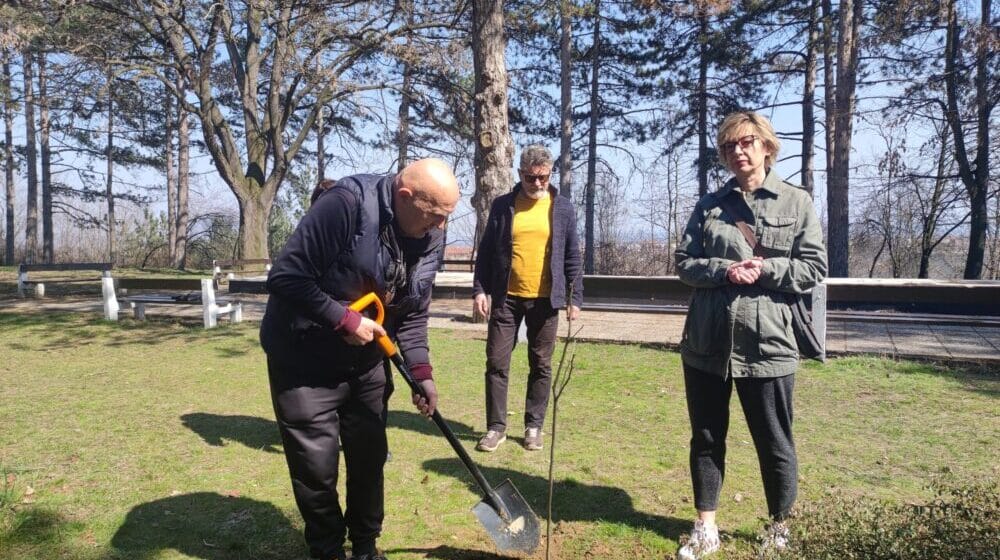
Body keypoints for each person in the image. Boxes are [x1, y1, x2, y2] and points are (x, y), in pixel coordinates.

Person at [260, 159, 460, 560]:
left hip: (366, 364)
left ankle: (366, 547)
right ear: (405, 196)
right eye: (434, 214)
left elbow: (413, 311)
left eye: (447, 216)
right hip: (305, 362)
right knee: (316, 470)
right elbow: (286, 276)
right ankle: (328, 550)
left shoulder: (431, 234)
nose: (441, 226)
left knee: (369, 459)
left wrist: (421, 372)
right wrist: (344, 319)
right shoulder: (345, 204)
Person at [673, 112, 827, 559]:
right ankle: (706, 528)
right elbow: (684, 263)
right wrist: (725, 270)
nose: (737, 152)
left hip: (769, 345)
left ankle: (779, 529)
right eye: (728, 146)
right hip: (707, 342)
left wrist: (766, 269)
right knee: (706, 438)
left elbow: (813, 267)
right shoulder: (709, 206)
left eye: (745, 143)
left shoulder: (796, 202)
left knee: (775, 441)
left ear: (766, 147)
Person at [472, 144, 583, 453]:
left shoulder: (563, 209)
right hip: (505, 298)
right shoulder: (502, 206)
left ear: (550, 174)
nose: (537, 183)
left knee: (541, 364)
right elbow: (486, 252)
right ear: (520, 174)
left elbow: (572, 255)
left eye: (543, 178)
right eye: (530, 177)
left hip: (546, 300)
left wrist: (575, 297)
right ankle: (496, 428)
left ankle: (534, 426)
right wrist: (479, 289)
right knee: (496, 362)